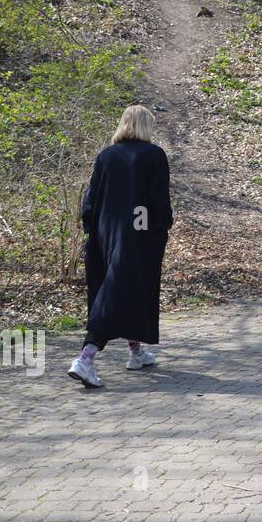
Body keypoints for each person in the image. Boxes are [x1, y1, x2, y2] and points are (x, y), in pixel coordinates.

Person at [68, 105, 173, 389]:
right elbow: (158, 200)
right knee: (123, 291)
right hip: (139, 236)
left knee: (116, 288)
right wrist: (162, 228)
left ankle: (136, 352)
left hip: (104, 236)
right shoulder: (153, 155)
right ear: (144, 126)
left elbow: (90, 200)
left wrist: (91, 230)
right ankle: (86, 357)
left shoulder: (106, 155)